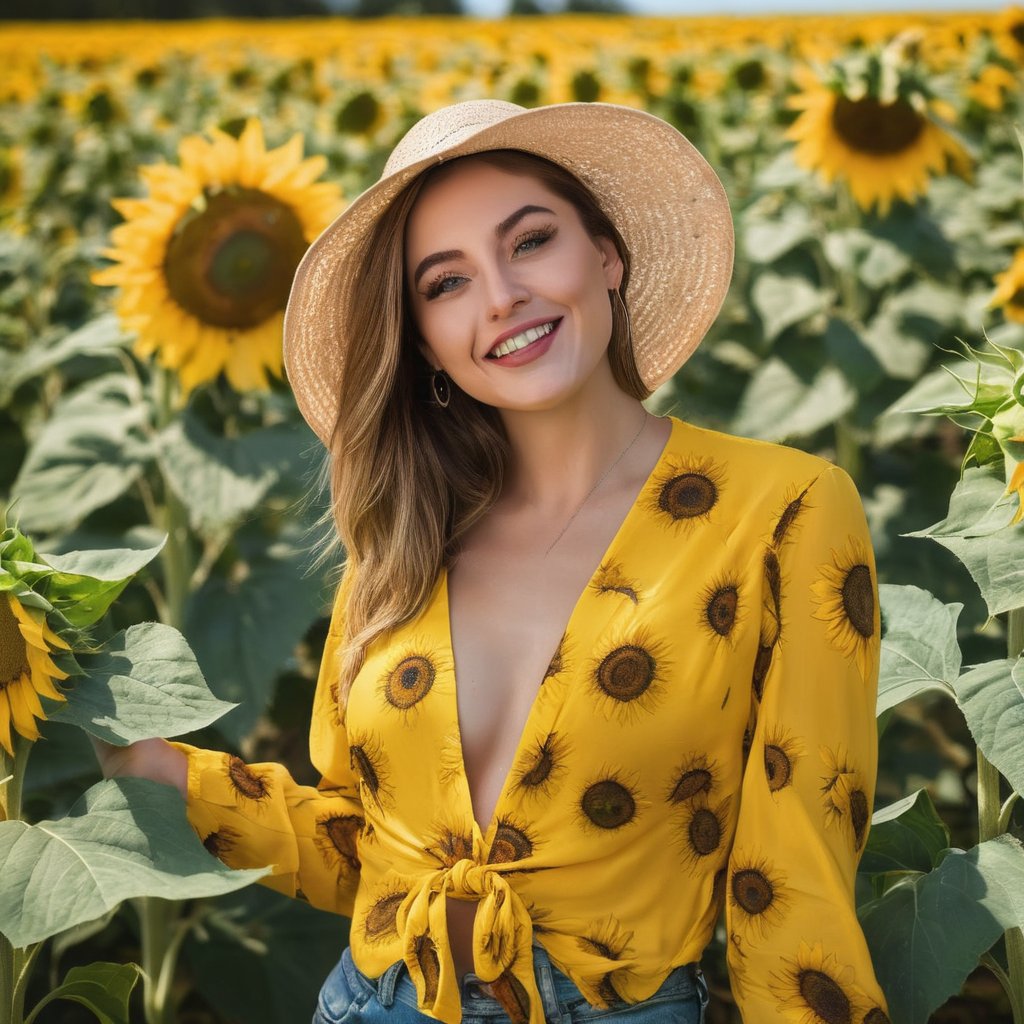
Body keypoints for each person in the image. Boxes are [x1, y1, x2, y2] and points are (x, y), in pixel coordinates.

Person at [94, 99, 890, 1024]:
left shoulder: (782, 509)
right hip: (369, 1003)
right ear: (426, 341)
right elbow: (359, 850)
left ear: (607, 255)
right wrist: (157, 772)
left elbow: (793, 874)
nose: (501, 296)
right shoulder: (402, 539)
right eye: (445, 283)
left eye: (530, 240)